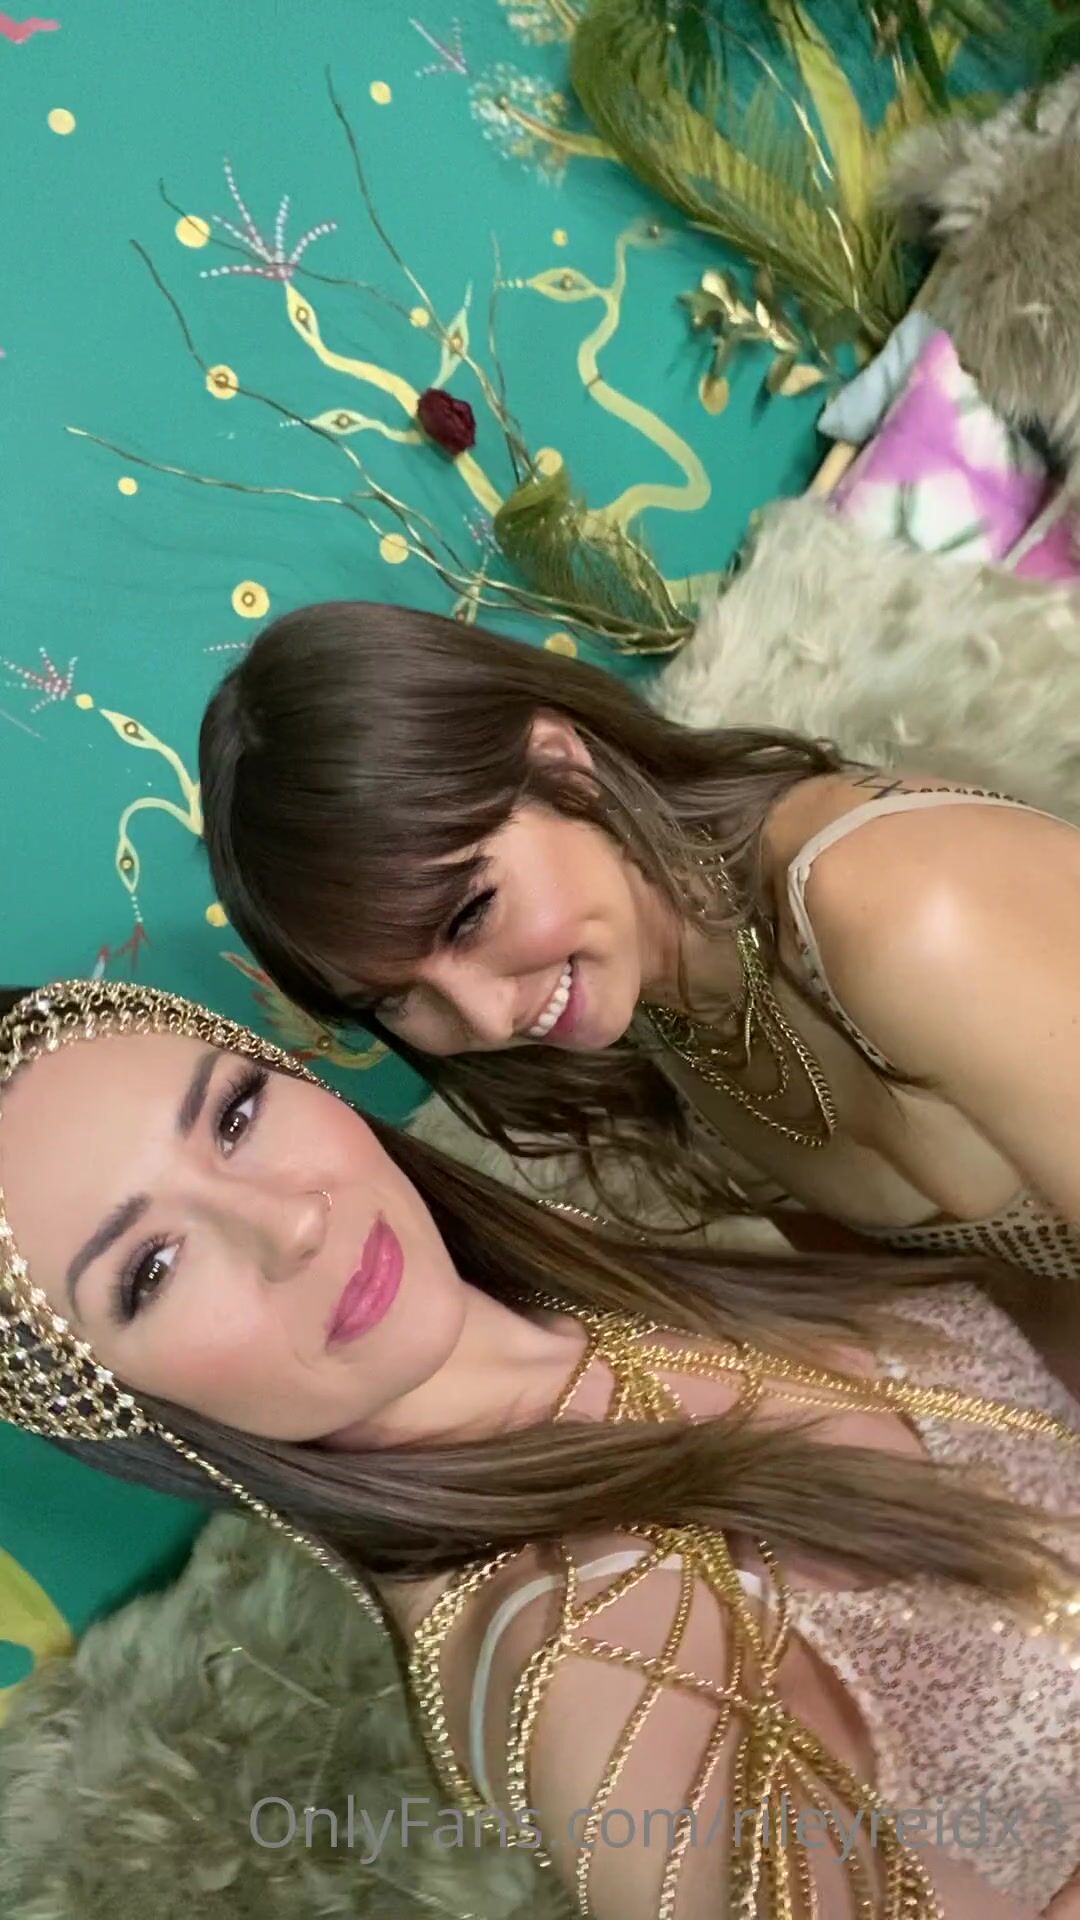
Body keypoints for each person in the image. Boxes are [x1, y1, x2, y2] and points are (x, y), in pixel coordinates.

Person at [1, 981, 1076, 1918]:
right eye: (151, 1269)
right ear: (105, 1397)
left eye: (235, 1113)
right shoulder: (591, 1659)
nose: (289, 1225)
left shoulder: (590, 1259)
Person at [198, 604, 1080, 1348]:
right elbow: (964, 1324)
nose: (487, 1019)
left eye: (470, 915)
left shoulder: (892, 910)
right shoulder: (665, 1021)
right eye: (393, 999)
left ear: (558, 765)